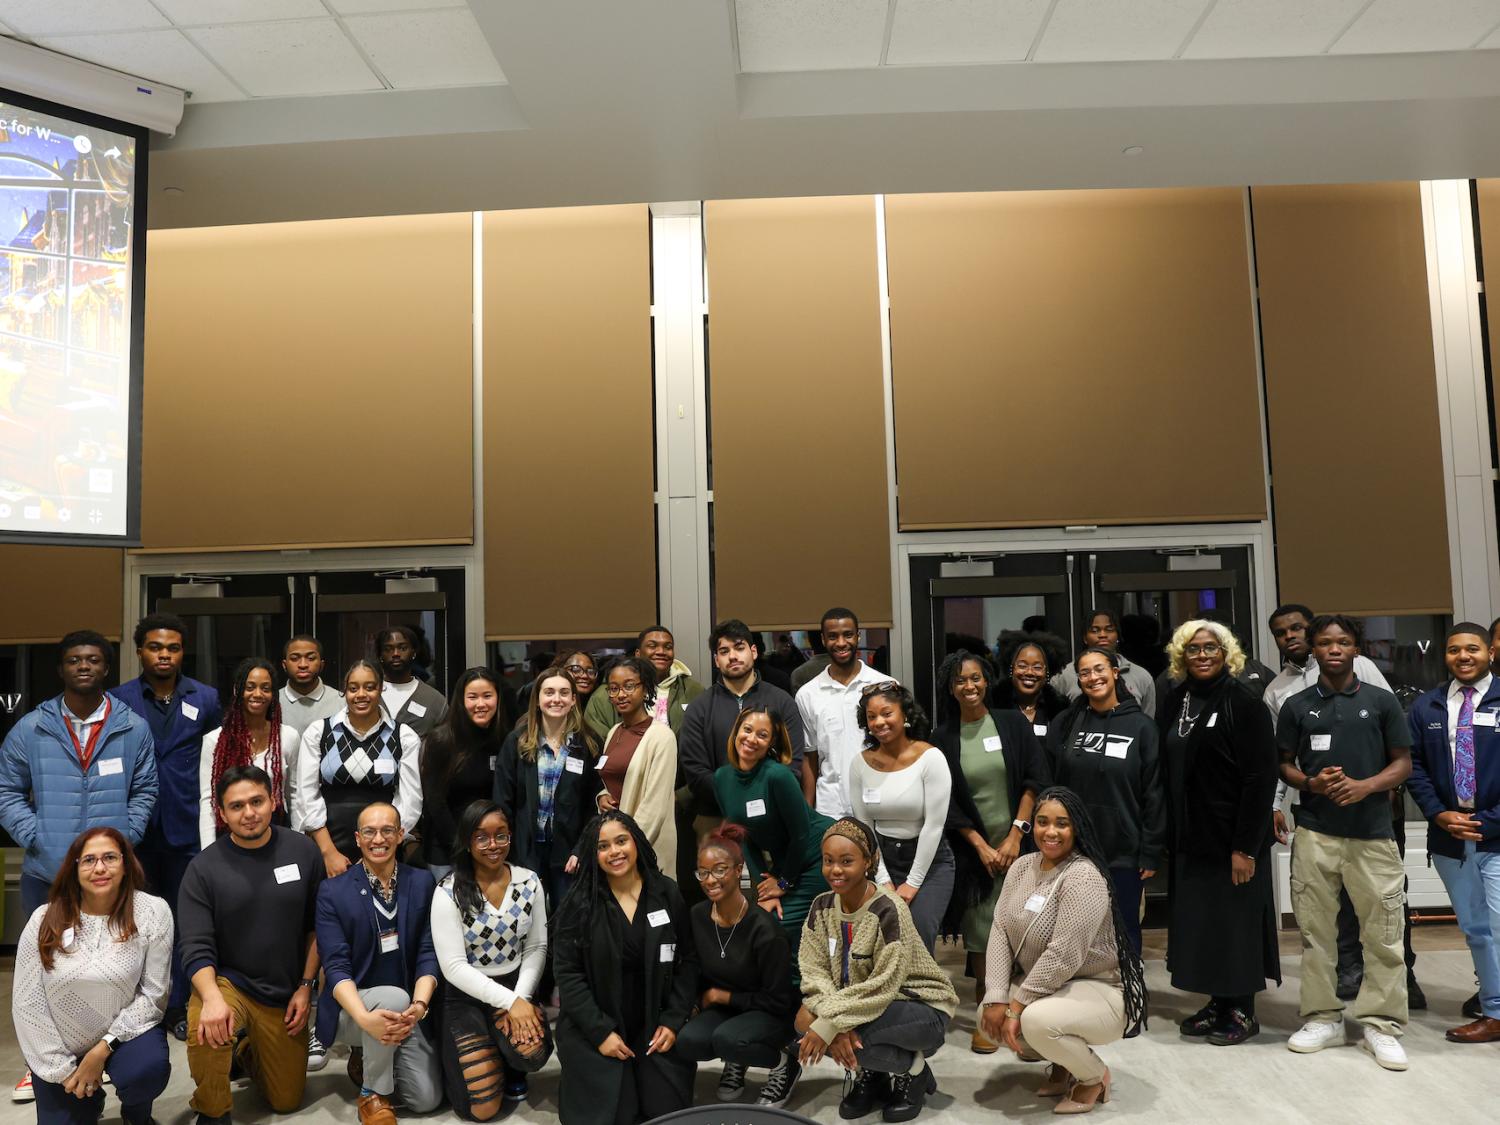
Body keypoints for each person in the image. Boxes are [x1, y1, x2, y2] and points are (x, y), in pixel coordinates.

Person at [0, 631, 159, 1106]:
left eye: (92, 659)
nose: (83, 666)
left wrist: (124, 839)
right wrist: (38, 838)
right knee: (46, 975)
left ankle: (107, 1054)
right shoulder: (31, 728)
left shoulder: (132, 727)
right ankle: (41, 1066)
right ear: (62, 668)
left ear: (107, 668)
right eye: (74, 660)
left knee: (110, 971)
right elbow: (6, 791)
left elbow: (145, 790)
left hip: (112, 883)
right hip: (48, 875)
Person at [1263, 603, 1418, 1006]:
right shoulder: (1286, 698)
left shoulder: (1375, 690)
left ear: (1355, 649)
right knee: (1319, 928)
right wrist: (1302, 787)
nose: (1333, 648)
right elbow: (1282, 762)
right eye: (1324, 642)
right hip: (1317, 825)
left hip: (1374, 822)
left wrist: (1366, 786)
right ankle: (1326, 1006)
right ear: (1313, 648)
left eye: (1343, 642)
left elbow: (1401, 759)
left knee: (1385, 919)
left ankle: (1387, 1009)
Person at [977, 788, 1147, 1115]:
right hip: (1056, 986)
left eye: (1062, 824)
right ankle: (1062, 1065)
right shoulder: (1023, 866)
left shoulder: (1084, 876)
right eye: (1042, 822)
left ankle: (1094, 1077)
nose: (1050, 832)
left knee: (1037, 1021)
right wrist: (998, 997)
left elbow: (1062, 956)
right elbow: (999, 929)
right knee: (988, 1017)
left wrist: (1015, 1007)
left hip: (1103, 988)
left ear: (1077, 828)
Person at [179, 765, 324, 1123]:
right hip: (231, 983)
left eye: (257, 801)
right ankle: (213, 1110)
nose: (249, 814)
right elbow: (195, 946)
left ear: (273, 800)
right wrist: (211, 998)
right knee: (206, 1028)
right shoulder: (204, 868)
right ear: (222, 813)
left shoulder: (303, 851)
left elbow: (317, 927)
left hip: (284, 990)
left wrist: (306, 987)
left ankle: (245, 1050)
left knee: (286, 1100)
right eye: (237, 806)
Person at [1157, 621, 1280, 1046]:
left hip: (1233, 840)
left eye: (1212, 648)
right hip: (1192, 838)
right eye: (1194, 649)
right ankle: (1218, 1001)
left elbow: (1261, 778)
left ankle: (1242, 1011)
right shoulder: (1175, 701)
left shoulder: (1244, 702)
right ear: (1181, 656)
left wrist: (1245, 846)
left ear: (1226, 653)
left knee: (1235, 924)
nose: (1203, 655)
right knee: (1205, 925)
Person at [797, 817, 958, 1124]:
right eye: (828, 861)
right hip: (865, 1005)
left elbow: (884, 986)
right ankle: (873, 1076)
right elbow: (812, 970)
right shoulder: (820, 906)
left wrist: (831, 1023)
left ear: (869, 861)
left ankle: (915, 1071)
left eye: (847, 861)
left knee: (840, 1031)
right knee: (804, 1021)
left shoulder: (889, 908)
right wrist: (830, 1020)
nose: (835, 870)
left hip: (919, 1007)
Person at [930, 649, 1051, 1053]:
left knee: (1027, 929)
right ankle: (988, 1010)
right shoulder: (942, 737)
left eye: (976, 678)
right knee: (982, 932)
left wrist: (1016, 836)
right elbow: (946, 801)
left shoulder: (1013, 722)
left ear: (987, 680)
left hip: (1023, 847)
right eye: (961, 680)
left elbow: (1035, 778)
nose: (970, 686)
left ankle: (1027, 1018)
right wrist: (981, 846)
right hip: (975, 856)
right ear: (951, 687)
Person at [13, 828, 172, 1125]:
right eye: (88, 860)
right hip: (63, 1047)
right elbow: (27, 1004)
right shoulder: (43, 919)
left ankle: (136, 1114)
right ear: (74, 869)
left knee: (146, 1071)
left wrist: (101, 1051)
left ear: (125, 864)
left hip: (124, 1037)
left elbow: (154, 996)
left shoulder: (153, 911)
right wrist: (64, 1071)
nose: (100, 868)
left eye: (110, 857)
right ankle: (89, 1099)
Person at [113, 612, 223, 1039]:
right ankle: (136, 1007)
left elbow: (217, 758)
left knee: (183, 922)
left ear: (183, 652)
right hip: (133, 831)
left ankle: (178, 1005)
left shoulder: (206, 698)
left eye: (173, 647)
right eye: (156, 647)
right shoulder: (118, 699)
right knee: (133, 922)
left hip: (187, 828)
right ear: (140, 650)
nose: (164, 655)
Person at [552, 811, 698, 1125]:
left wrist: (673, 1020)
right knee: (615, 1114)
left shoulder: (666, 892)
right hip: (598, 1022)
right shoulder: (579, 903)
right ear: (593, 854)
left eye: (621, 841)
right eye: (603, 846)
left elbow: (689, 961)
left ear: (636, 842)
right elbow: (568, 974)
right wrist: (600, 1032)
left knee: (667, 1113)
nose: (614, 852)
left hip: (653, 1020)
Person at [315, 802, 442, 1123]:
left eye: (388, 830)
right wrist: (365, 1018)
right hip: (352, 1013)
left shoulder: (422, 882)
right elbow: (336, 967)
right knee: (392, 997)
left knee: (426, 1100)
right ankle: (373, 1093)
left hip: (405, 1013)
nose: (378, 839)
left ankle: (374, 1054)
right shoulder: (333, 890)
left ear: (401, 835)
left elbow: (428, 951)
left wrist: (420, 1005)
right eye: (369, 832)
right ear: (357, 838)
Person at [1405, 622, 1500, 1042]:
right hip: (1449, 837)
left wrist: (1489, 820)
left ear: (1490, 653)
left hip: (1496, 834)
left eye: (1473, 649)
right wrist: (1439, 813)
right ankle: (1493, 1009)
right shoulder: (1427, 707)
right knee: (1476, 929)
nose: (1463, 656)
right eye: (1454, 650)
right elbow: (1414, 767)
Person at [431, 802, 553, 1117]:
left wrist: (520, 999)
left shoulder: (529, 882)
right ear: (468, 842)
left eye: (501, 835)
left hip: (515, 985)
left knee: (533, 1054)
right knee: (483, 1109)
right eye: (481, 837)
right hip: (464, 996)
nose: (493, 845)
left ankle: (507, 1061)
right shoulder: (447, 892)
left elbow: (537, 946)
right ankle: (475, 1057)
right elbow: (454, 968)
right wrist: (511, 1004)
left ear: (511, 837)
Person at [1046, 647, 1165, 957]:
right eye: (1084, 672)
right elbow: (1053, 784)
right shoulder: (1067, 722)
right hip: (1075, 849)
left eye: (1099, 669)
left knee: (1123, 929)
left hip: (1123, 851)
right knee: (1074, 928)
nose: (1092, 677)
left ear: (1115, 672)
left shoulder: (1142, 727)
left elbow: (1154, 793)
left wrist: (1150, 852)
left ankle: (1129, 998)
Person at [678, 825, 801, 1108]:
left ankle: (784, 1064)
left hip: (769, 1011)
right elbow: (693, 968)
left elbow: (779, 1001)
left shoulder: (764, 929)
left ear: (738, 870)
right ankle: (735, 1058)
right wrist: (693, 1005)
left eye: (719, 870)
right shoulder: (697, 915)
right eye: (703, 872)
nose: (710, 880)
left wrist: (723, 997)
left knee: (730, 1040)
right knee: (687, 1041)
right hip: (726, 1010)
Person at [847, 683, 954, 954]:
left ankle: (922, 996)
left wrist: (913, 882)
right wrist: (882, 878)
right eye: (872, 717)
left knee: (918, 931)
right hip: (881, 859)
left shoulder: (930, 757)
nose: (879, 722)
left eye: (886, 713)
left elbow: (934, 825)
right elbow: (864, 828)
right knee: (881, 937)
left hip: (929, 862)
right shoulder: (860, 763)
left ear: (905, 715)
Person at [714, 707, 834, 941]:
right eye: (747, 730)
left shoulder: (778, 776)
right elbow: (742, 839)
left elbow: (801, 834)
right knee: (765, 921)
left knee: (782, 927)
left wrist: (783, 882)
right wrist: (765, 891)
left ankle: (798, 979)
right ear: (736, 731)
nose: (751, 739)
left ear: (770, 743)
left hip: (815, 857)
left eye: (762, 735)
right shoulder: (721, 779)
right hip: (783, 863)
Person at [680, 620, 810, 832]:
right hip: (715, 819)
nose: (732, 656)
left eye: (739, 648)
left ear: (754, 652)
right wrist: (737, 797)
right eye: (724, 651)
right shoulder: (699, 708)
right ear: (716, 660)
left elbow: (792, 764)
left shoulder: (782, 702)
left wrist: (760, 797)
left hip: (771, 817)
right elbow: (695, 773)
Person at [296, 660, 423, 874]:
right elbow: (306, 795)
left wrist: (381, 847)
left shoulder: (404, 737)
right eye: (353, 688)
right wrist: (328, 852)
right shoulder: (319, 732)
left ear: (381, 688)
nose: (361, 694)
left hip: (384, 845)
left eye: (370, 687)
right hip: (330, 844)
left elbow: (410, 801)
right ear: (344, 691)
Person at [496, 665, 601, 916]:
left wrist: (581, 849)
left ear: (574, 700)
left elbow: (592, 805)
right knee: (527, 920)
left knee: (567, 922)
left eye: (564, 693)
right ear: (538, 699)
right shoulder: (518, 742)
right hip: (525, 850)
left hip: (568, 855)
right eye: (549, 692)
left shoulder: (587, 744)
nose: (557, 699)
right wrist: (509, 848)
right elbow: (503, 801)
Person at [797, 607, 895, 818]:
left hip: (880, 801)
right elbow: (810, 757)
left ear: (858, 636)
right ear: (823, 640)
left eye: (848, 635)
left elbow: (900, 748)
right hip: (830, 808)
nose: (841, 643)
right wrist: (807, 812)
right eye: (833, 636)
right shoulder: (807, 694)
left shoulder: (885, 686)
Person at [198, 657, 298, 850]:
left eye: (266, 688)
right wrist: (208, 851)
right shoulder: (215, 740)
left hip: (276, 832)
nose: (258, 694)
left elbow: (293, 794)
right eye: (250, 687)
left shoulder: (288, 737)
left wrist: (298, 839)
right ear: (237, 690)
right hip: (230, 835)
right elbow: (208, 799)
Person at [596, 657, 679, 879]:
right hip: (617, 849)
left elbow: (655, 806)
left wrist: (627, 847)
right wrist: (601, 797)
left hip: (645, 847)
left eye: (629, 686)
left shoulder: (661, 736)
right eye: (614, 689)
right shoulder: (614, 731)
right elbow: (609, 778)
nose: (621, 694)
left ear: (645, 689)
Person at [419, 667, 507, 874]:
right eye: (472, 697)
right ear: (461, 701)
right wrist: (463, 847)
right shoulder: (441, 740)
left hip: (490, 848)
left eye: (487, 696)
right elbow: (435, 803)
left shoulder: (504, 739)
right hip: (447, 848)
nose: (480, 704)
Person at [583, 626, 705, 741]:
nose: (661, 651)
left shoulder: (693, 690)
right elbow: (597, 740)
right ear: (638, 653)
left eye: (668, 647)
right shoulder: (606, 694)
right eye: (652, 646)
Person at [1051, 610, 1157, 718]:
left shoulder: (1142, 676)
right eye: (1094, 630)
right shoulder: (1064, 675)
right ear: (1085, 638)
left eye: (1109, 629)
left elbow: (1147, 723)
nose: (1102, 635)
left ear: (1117, 636)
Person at [991, 631, 1071, 738]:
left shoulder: (1061, 709)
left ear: (1047, 672)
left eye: (1037, 667)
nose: (1029, 672)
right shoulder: (993, 705)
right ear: (1011, 669)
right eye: (1022, 666)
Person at [376, 627, 448, 739]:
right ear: (380, 656)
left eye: (403, 648)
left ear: (413, 653)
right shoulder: (366, 695)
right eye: (388, 649)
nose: (396, 654)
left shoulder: (434, 700)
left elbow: (447, 745)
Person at [280, 634, 346, 742]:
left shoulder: (341, 702)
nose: (303, 665)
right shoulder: (272, 702)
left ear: (321, 664)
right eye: (295, 658)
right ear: (284, 665)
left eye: (310, 658)